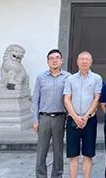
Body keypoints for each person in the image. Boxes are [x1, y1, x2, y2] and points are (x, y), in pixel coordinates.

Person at [31, 49, 71, 178]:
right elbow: (35, 99)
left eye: (57, 58)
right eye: (51, 58)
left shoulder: (68, 77)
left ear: (61, 60)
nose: (54, 61)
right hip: (44, 117)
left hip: (60, 117)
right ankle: (41, 175)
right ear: (48, 61)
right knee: (41, 150)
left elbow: (70, 99)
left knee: (58, 151)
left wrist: (68, 118)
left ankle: (57, 175)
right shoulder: (41, 78)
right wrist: (35, 120)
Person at [63, 51, 102, 178]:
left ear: (91, 62)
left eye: (87, 59)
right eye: (82, 59)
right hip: (73, 119)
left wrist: (86, 116)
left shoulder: (97, 78)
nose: (84, 61)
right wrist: (75, 117)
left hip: (89, 120)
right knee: (73, 154)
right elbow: (67, 99)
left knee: (88, 154)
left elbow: (97, 99)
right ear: (77, 62)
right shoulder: (70, 79)